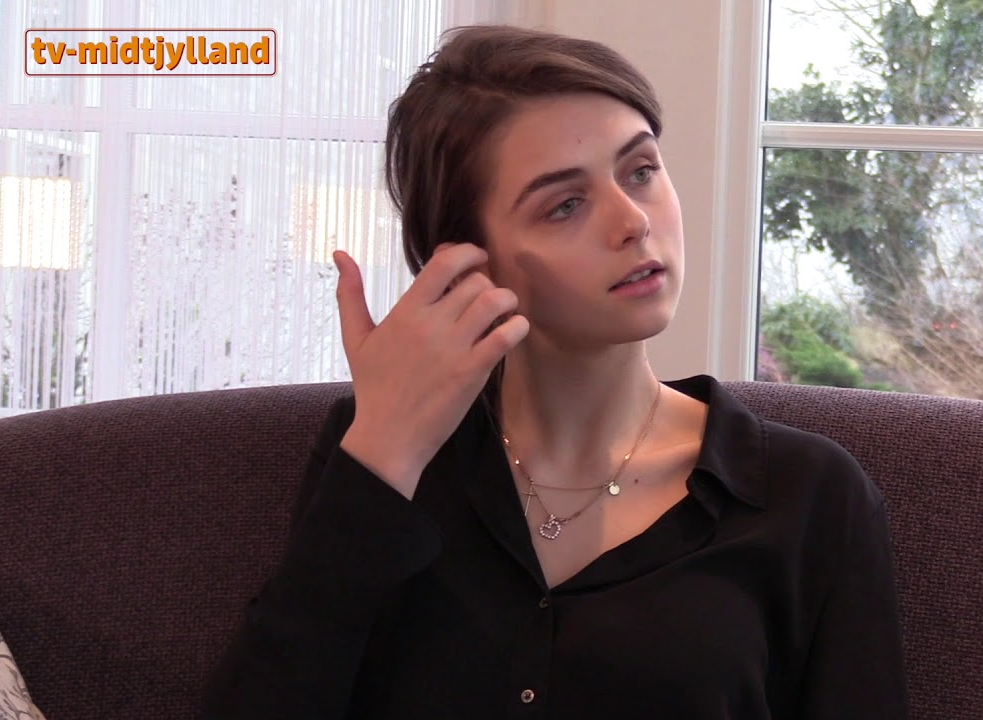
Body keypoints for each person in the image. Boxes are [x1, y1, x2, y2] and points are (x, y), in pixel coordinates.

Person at [198, 23, 906, 719]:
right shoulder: (380, 450)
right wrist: (383, 454)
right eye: (565, 206)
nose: (632, 221)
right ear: (465, 262)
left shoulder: (808, 496)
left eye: (641, 171)